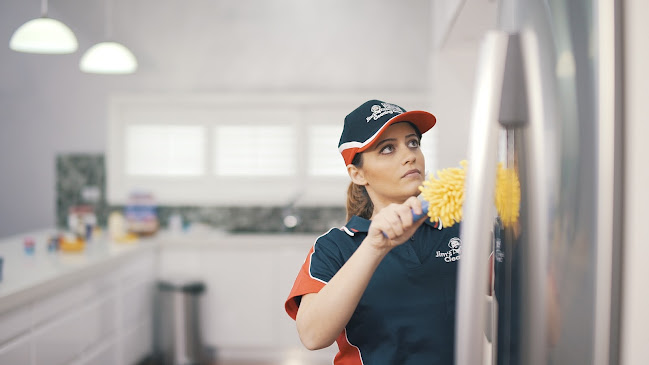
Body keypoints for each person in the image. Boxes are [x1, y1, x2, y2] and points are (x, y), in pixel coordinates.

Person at [284, 100, 462, 364]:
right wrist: (375, 247)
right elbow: (312, 336)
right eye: (387, 148)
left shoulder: (457, 230)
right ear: (357, 174)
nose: (410, 155)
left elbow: (538, 314)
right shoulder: (334, 247)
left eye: (413, 143)